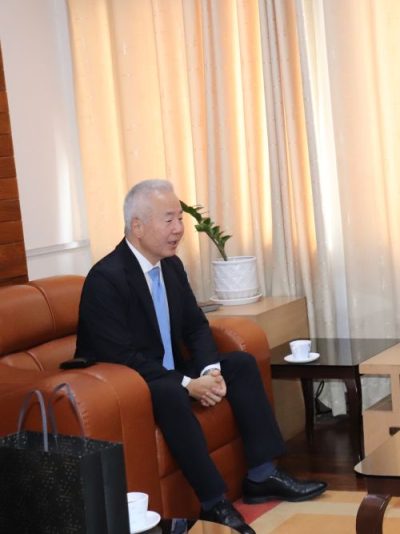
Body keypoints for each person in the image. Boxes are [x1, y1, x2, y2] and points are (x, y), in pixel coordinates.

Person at [75, 179, 326, 533]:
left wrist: (209, 371)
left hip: (172, 372)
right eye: (169, 220)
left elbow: (195, 326)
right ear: (137, 226)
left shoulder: (171, 267)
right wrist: (187, 383)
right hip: (132, 384)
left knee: (239, 365)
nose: (179, 229)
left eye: (180, 218)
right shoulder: (107, 278)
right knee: (169, 391)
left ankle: (262, 474)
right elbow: (120, 356)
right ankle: (214, 502)